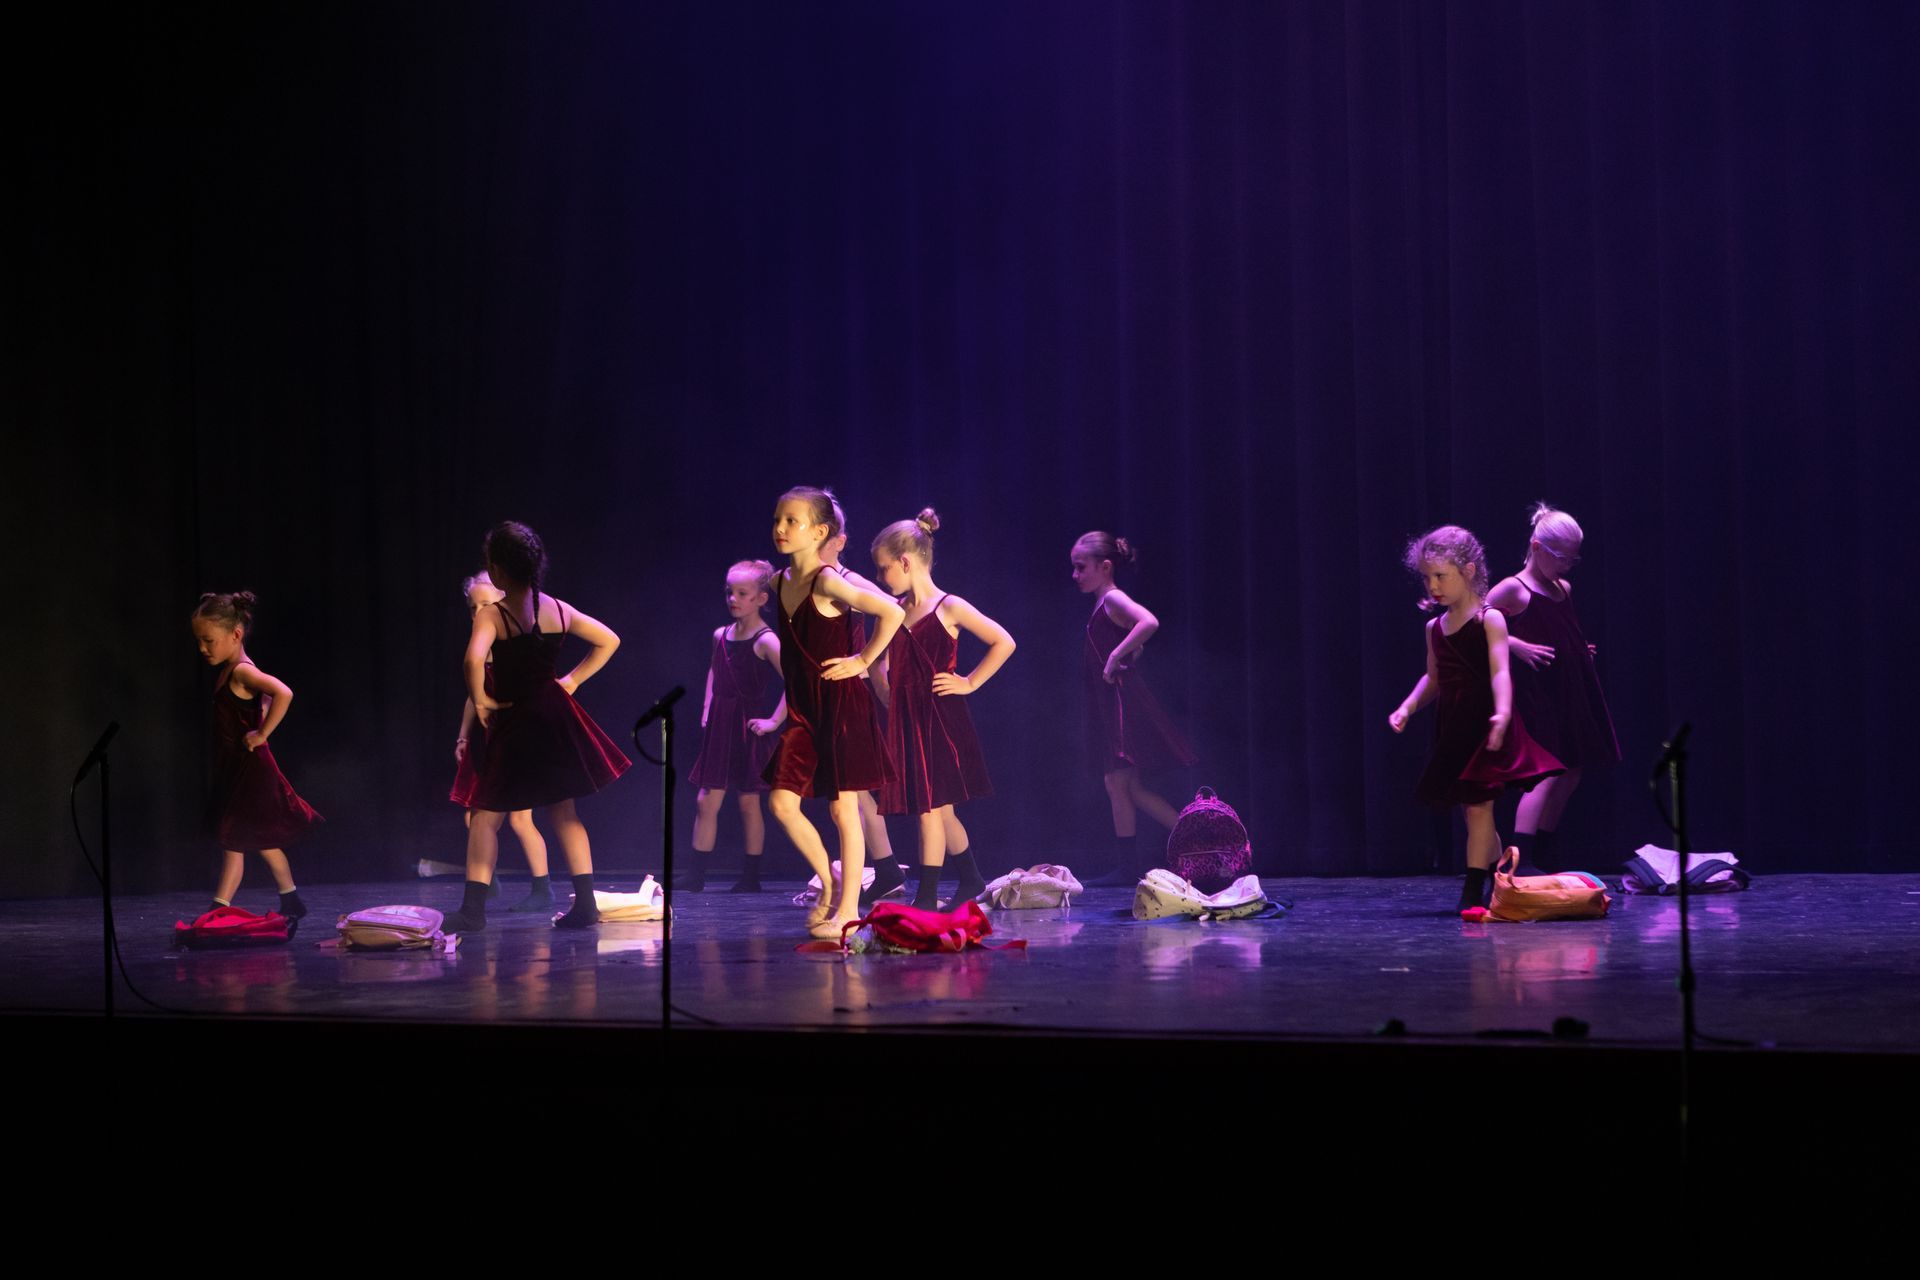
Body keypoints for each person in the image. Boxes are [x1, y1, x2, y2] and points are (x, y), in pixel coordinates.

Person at [444, 521, 630, 932]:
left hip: (514, 720)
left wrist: (481, 698)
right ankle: (586, 905)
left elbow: (473, 659)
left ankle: (473, 910)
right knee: (564, 811)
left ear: (496, 571)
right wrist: (573, 681)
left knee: (486, 814)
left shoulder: (494, 614)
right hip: (553, 717)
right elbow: (609, 640)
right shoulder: (558, 609)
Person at [1388, 525, 1563, 915]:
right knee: (1473, 812)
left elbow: (1501, 672)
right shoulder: (1434, 628)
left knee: (1479, 807)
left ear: (1468, 571)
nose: (1433, 586)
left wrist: (1503, 712)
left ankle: (1471, 892)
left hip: (1485, 723)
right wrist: (1408, 707)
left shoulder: (1489, 619)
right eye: (1427, 578)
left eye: (1440, 576)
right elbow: (1433, 679)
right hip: (1455, 729)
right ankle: (1502, 876)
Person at [762, 487, 903, 938]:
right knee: (782, 803)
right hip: (804, 709)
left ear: (820, 531)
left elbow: (892, 611)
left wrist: (862, 660)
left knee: (845, 811)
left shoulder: (828, 581)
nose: (781, 528)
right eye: (778, 519)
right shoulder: (778, 583)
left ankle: (847, 911)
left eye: (793, 521)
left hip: (841, 705)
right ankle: (830, 880)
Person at [870, 508, 1016, 909]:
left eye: (883, 568)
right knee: (941, 810)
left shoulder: (949, 606)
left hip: (939, 718)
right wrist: (886, 690)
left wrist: (969, 682)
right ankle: (971, 879)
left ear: (905, 562)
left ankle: (927, 897)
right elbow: (878, 661)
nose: (880, 577)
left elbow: (1003, 641)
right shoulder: (894, 611)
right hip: (908, 718)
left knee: (930, 810)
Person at [1485, 504, 1620, 873]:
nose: (1567, 566)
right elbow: (1473, 622)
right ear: (1537, 547)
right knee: (1545, 772)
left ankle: (1545, 847)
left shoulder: (1563, 588)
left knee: (1571, 769)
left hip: (1567, 690)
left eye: (1573, 559)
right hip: (1537, 694)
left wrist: (1579, 649)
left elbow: (1560, 629)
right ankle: (1520, 856)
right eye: (1561, 558)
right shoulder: (1514, 589)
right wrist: (1515, 644)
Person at [190, 591, 323, 919]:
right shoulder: (231, 670)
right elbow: (259, 703)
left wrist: (262, 733)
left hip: (252, 770)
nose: (202, 648)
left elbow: (283, 692)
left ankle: (218, 909)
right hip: (239, 768)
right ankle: (291, 900)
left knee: (234, 839)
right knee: (260, 838)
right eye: (199, 641)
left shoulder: (242, 672)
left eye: (209, 640)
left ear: (235, 635)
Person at [1072, 531, 1195, 887]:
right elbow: (1131, 635)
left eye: (1081, 567)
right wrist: (1128, 650)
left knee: (1118, 781)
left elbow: (1148, 622)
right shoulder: (1104, 602)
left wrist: (1116, 655)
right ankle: (1184, 846)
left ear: (1105, 567)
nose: (1075, 575)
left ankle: (1190, 845)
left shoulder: (1113, 598)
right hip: (1111, 701)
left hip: (1122, 701)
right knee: (1127, 786)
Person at [679, 559, 787, 892]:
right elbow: (714, 670)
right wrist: (707, 705)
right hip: (721, 725)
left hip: (747, 727)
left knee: (748, 802)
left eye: (742, 593)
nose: (733, 599)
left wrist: (774, 721)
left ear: (761, 598)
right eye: (729, 592)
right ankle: (696, 875)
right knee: (706, 800)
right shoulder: (720, 635)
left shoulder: (766, 641)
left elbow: (796, 682)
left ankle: (751, 877)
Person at [450, 572, 553, 911]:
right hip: (488, 737)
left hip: (515, 737)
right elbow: (474, 696)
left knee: (520, 819)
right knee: (474, 815)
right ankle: (485, 881)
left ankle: (542, 889)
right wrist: (464, 735)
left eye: (486, 604)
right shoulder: (481, 644)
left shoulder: (511, 644)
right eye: (473, 607)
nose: (479, 612)